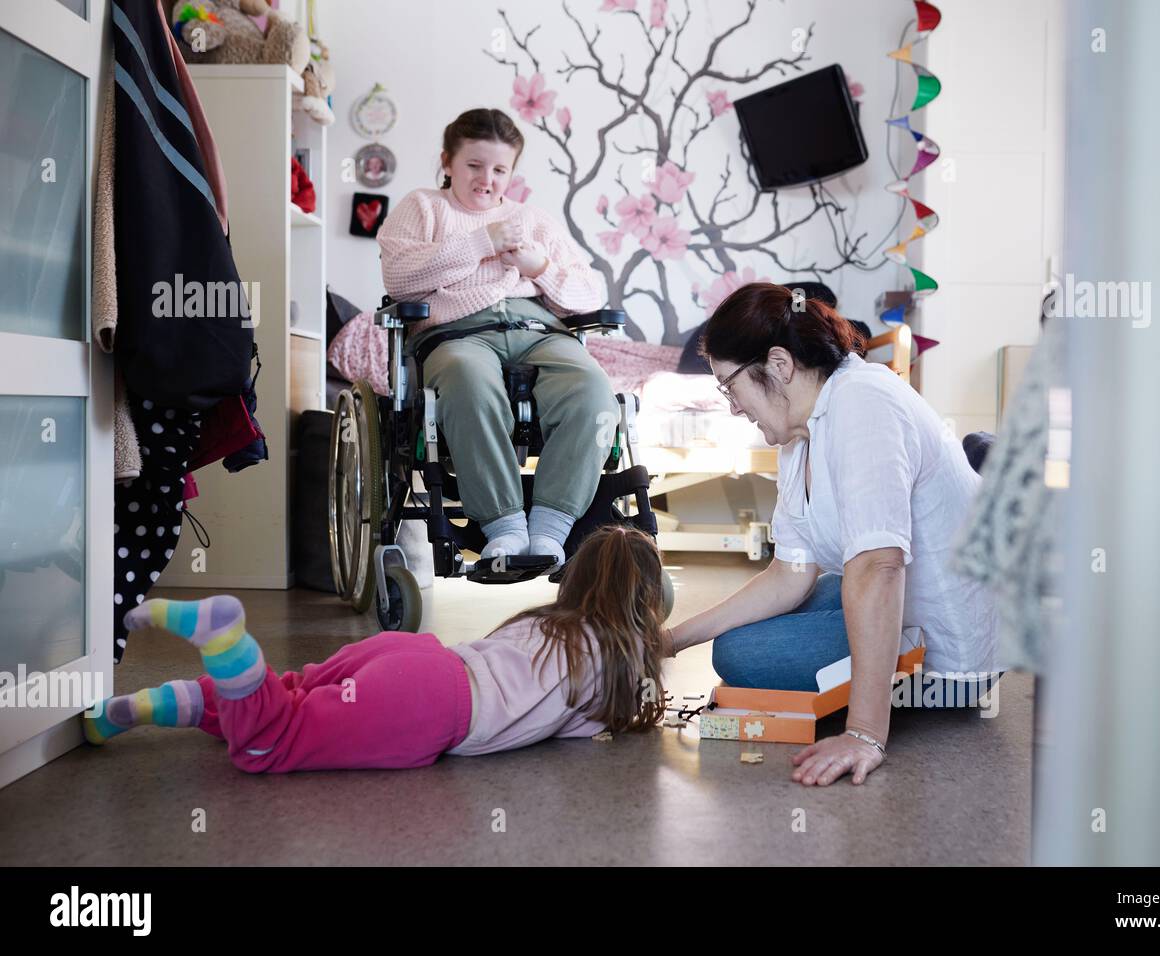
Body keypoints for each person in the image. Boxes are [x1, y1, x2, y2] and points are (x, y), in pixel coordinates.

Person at [666, 283, 1003, 787]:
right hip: (906, 597)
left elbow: (879, 565)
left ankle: (876, 712)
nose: (733, 407)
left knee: (739, 653)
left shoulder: (862, 402)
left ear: (779, 364)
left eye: (729, 385)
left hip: (949, 658)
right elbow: (789, 576)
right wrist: (669, 641)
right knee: (748, 631)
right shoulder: (798, 433)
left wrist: (865, 733)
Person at [83, 526, 669, 772]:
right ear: (647, 605)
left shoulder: (544, 621)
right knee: (268, 743)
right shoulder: (610, 665)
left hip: (419, 655)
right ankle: (227, 642)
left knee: (292, 695)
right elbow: (577, 731)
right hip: (435, 706)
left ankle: (155, 705)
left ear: (574, 584)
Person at [377, 107, 612, 567]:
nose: (487, 180)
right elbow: (400, 278)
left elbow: (590, 292)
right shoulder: (424, 207)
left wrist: (540, 268)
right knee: (467, 381)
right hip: (458, 332)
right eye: (474, 165)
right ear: (447, 161)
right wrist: (483, 241)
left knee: (594, 390)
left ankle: (550, 530)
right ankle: (504, 526)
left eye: (500, 169)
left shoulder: (533, 219)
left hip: (537, 329)